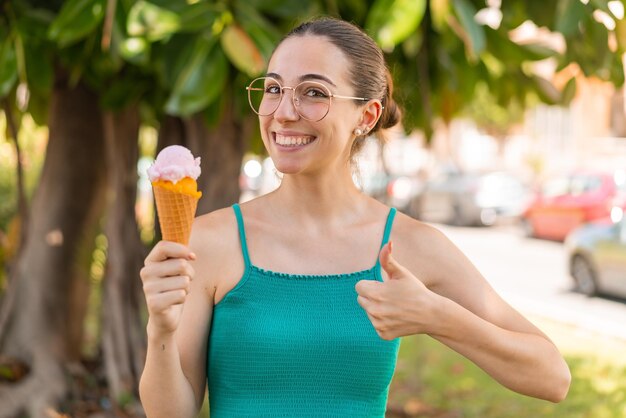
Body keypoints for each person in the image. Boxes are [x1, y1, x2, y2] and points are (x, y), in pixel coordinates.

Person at [139, 17, 571, 418]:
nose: (284, 112)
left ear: (366, 116)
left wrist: (436, 316)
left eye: (313, 92)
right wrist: (160, 328)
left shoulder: (409, 246)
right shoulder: (210, 241)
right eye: (273, 88)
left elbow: (552, 377)